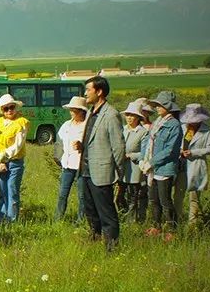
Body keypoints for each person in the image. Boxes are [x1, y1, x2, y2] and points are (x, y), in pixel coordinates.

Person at [77, 76, 125, 252]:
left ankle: (111, 247)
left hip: (101, 172)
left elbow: (118, 146)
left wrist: (118, 172)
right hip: (86, 170)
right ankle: (95, 239)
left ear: (99, 91)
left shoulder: (111, 114)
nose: (85, 93)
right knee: (91, 210)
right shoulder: (91, 111)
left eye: (88, 90)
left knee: (106, 212)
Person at [141, 91, 182, 239]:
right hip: (152, 168)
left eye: (160, 105)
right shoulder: (157, 122)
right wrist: (144, 160)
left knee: (165, 200)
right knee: (153, 199)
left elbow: (170, 150)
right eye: (156, 105)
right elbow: (148, 143)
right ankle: (156, 226)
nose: (157, 108)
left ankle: (172, 230)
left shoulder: (174, 125)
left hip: (164, 168)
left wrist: (151, 162)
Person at [0, 93, 28, 222]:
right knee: (2, 191)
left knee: (12, 190)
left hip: (15, 162)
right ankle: (1, 218)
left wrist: (4, 154)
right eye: (6, 108)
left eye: (11, 107)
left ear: (15, 107)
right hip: (0, 162)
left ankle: (11, 220)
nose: (10, 110)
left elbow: (18, 144)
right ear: (2, 110)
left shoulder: (21, 122)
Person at [175, 103, 210, 225]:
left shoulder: (207, 130)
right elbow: (175, 143)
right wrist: (180, 150)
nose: (192, 122)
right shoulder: (181, 128)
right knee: (178, 194)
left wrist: (193, 152)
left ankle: (192, 223)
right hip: (181, 164)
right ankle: (177, 219)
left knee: (194, 197)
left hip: (196, 165)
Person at [53, 96, 88, 222]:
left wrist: (82, 146)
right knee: (62, 194)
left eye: (75, 110)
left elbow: (92, 146)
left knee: (82, 195)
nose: (72, 112)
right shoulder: (66, 125)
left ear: (82, 111)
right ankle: (58, 219)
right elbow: (59, 142)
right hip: (67, 165)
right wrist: (58, 157)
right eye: (71, 110)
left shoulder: (87, 126)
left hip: (81, 165)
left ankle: (81, 220)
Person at [117, 101, 149, 221]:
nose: (129, 118)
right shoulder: (122, 129)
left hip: (134, 170)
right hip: (121, 169)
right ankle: (122, 217)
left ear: (138, 117)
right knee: (119, 196)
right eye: (127, 115)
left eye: (132, 115)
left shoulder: (143, 132)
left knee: (132, 196)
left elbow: (145, 152)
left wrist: (130, 156)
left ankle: (132, 221)